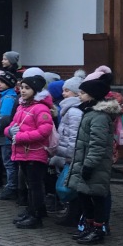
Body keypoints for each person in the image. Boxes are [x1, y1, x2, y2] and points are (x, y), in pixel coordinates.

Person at [68, 67, 122, 245]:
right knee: (84, 196)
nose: (79, 96)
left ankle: (98, 229)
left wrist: (89, 165)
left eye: (82, 93)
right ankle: (89, 227)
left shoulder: (98, 116)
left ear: (92, 95)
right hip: (84, 163)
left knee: (96, 198)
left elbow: (97, 145)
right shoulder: (90, 113)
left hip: (94, 166)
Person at [9, 73, 55, 229]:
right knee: (30, 184)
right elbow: (12, 124)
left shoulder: (41, 108)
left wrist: (20, 136)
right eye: (21, 87)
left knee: (35, 185)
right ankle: (32, 210)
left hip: (35, 152)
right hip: (23, 151)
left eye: (27, 88)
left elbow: (44, 131)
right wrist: (10, 131)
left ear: (35, 90)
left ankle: (36, 216)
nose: (22, 90)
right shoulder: (22, 106)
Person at [49, 73, 86, 226]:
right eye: (63, 90)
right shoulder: (68, 109)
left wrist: (66, 153)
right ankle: (71, 214)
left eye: (67, 91)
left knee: (71, 187)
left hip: (70, 155)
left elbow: (74, 137)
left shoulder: (74, 111)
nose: (63, 94)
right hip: (66, 153)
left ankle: (73, 217)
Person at [0, 70, 20, 200]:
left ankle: (11, 187)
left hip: (5, 136)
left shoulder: (8, 98)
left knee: (8, 163)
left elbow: (4, 118)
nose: (0, 84)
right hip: (6, 134)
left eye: (2, 82)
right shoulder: (7, 96)